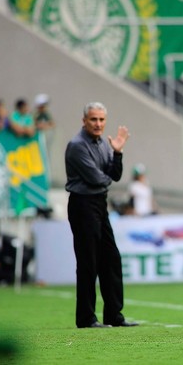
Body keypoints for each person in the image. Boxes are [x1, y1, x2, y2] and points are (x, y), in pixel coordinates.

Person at [64, 101, 138, 328]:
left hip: (99, 204)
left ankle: (114, 315)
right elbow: (98, 179)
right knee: (89, 262)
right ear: (84, 121)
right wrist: (106, 177)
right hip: (82, 205)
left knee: (111, 260)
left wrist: (117, 152)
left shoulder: (103, 144)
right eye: (93, 119)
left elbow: (113, 175)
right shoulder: (77, 145)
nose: (98, 124)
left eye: (101, 119)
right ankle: (86, 318)